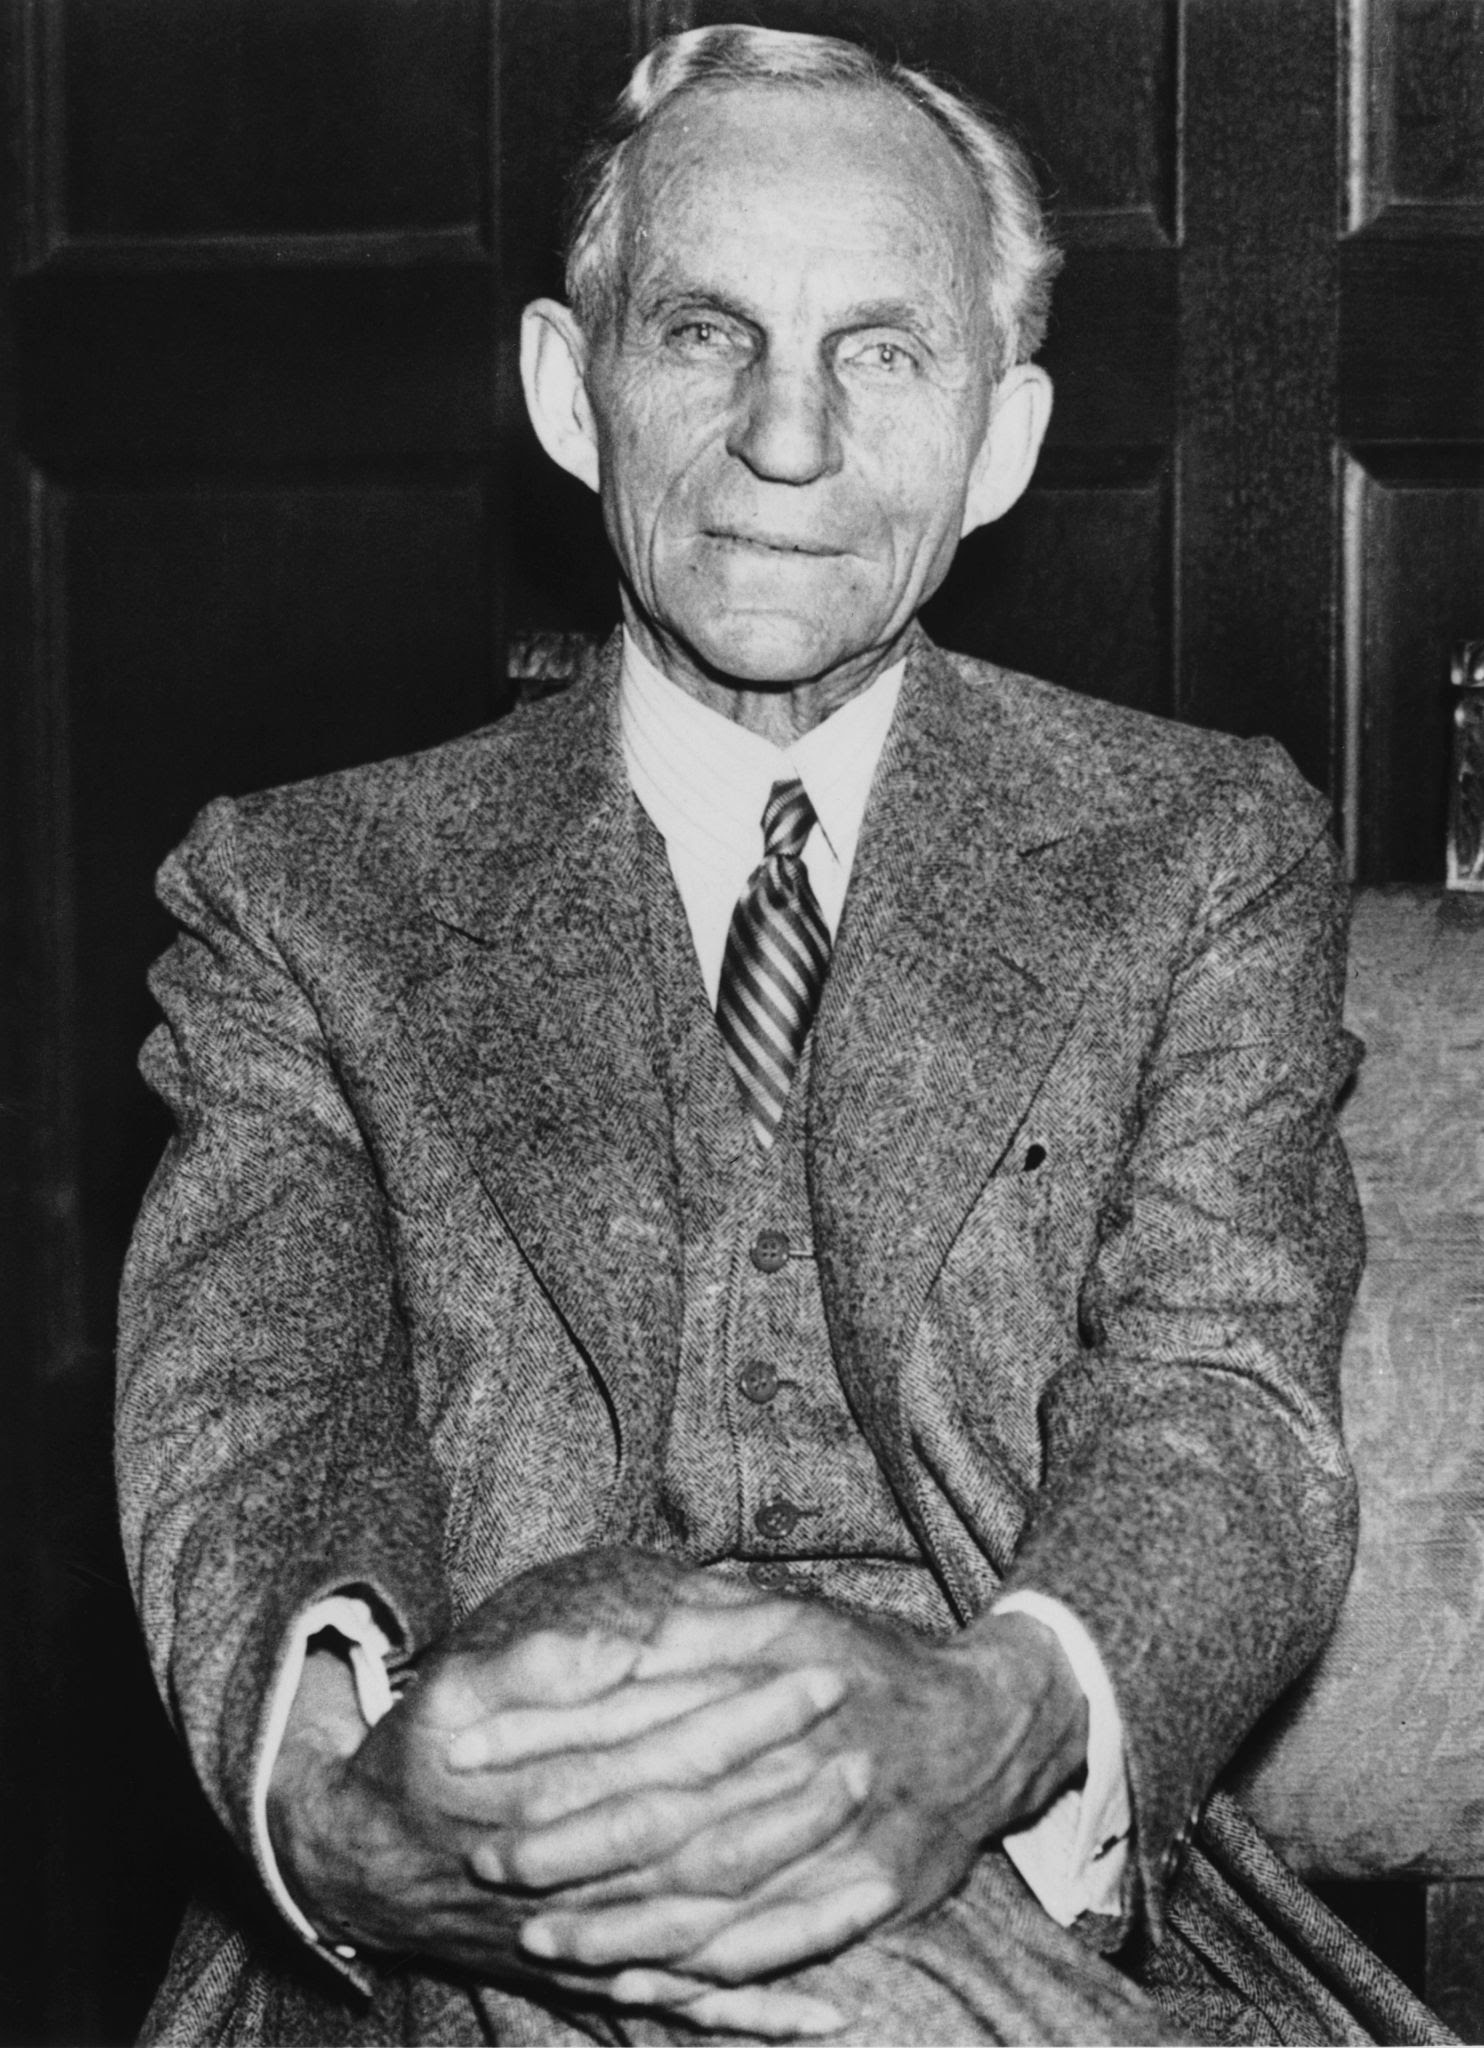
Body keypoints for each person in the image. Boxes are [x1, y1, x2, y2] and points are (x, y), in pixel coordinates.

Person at [116, 25, 1446, 2048]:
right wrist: (344, 1802)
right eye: (707, 339)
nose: (790, 444)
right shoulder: (303, 896)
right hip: (466, 1915)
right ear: (574, 390)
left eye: (882, 355)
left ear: (1000, 438)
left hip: (1039, 1879)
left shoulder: (1196, 850)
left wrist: (981, 1728)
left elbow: (1221, 1411)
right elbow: (258, 1425)